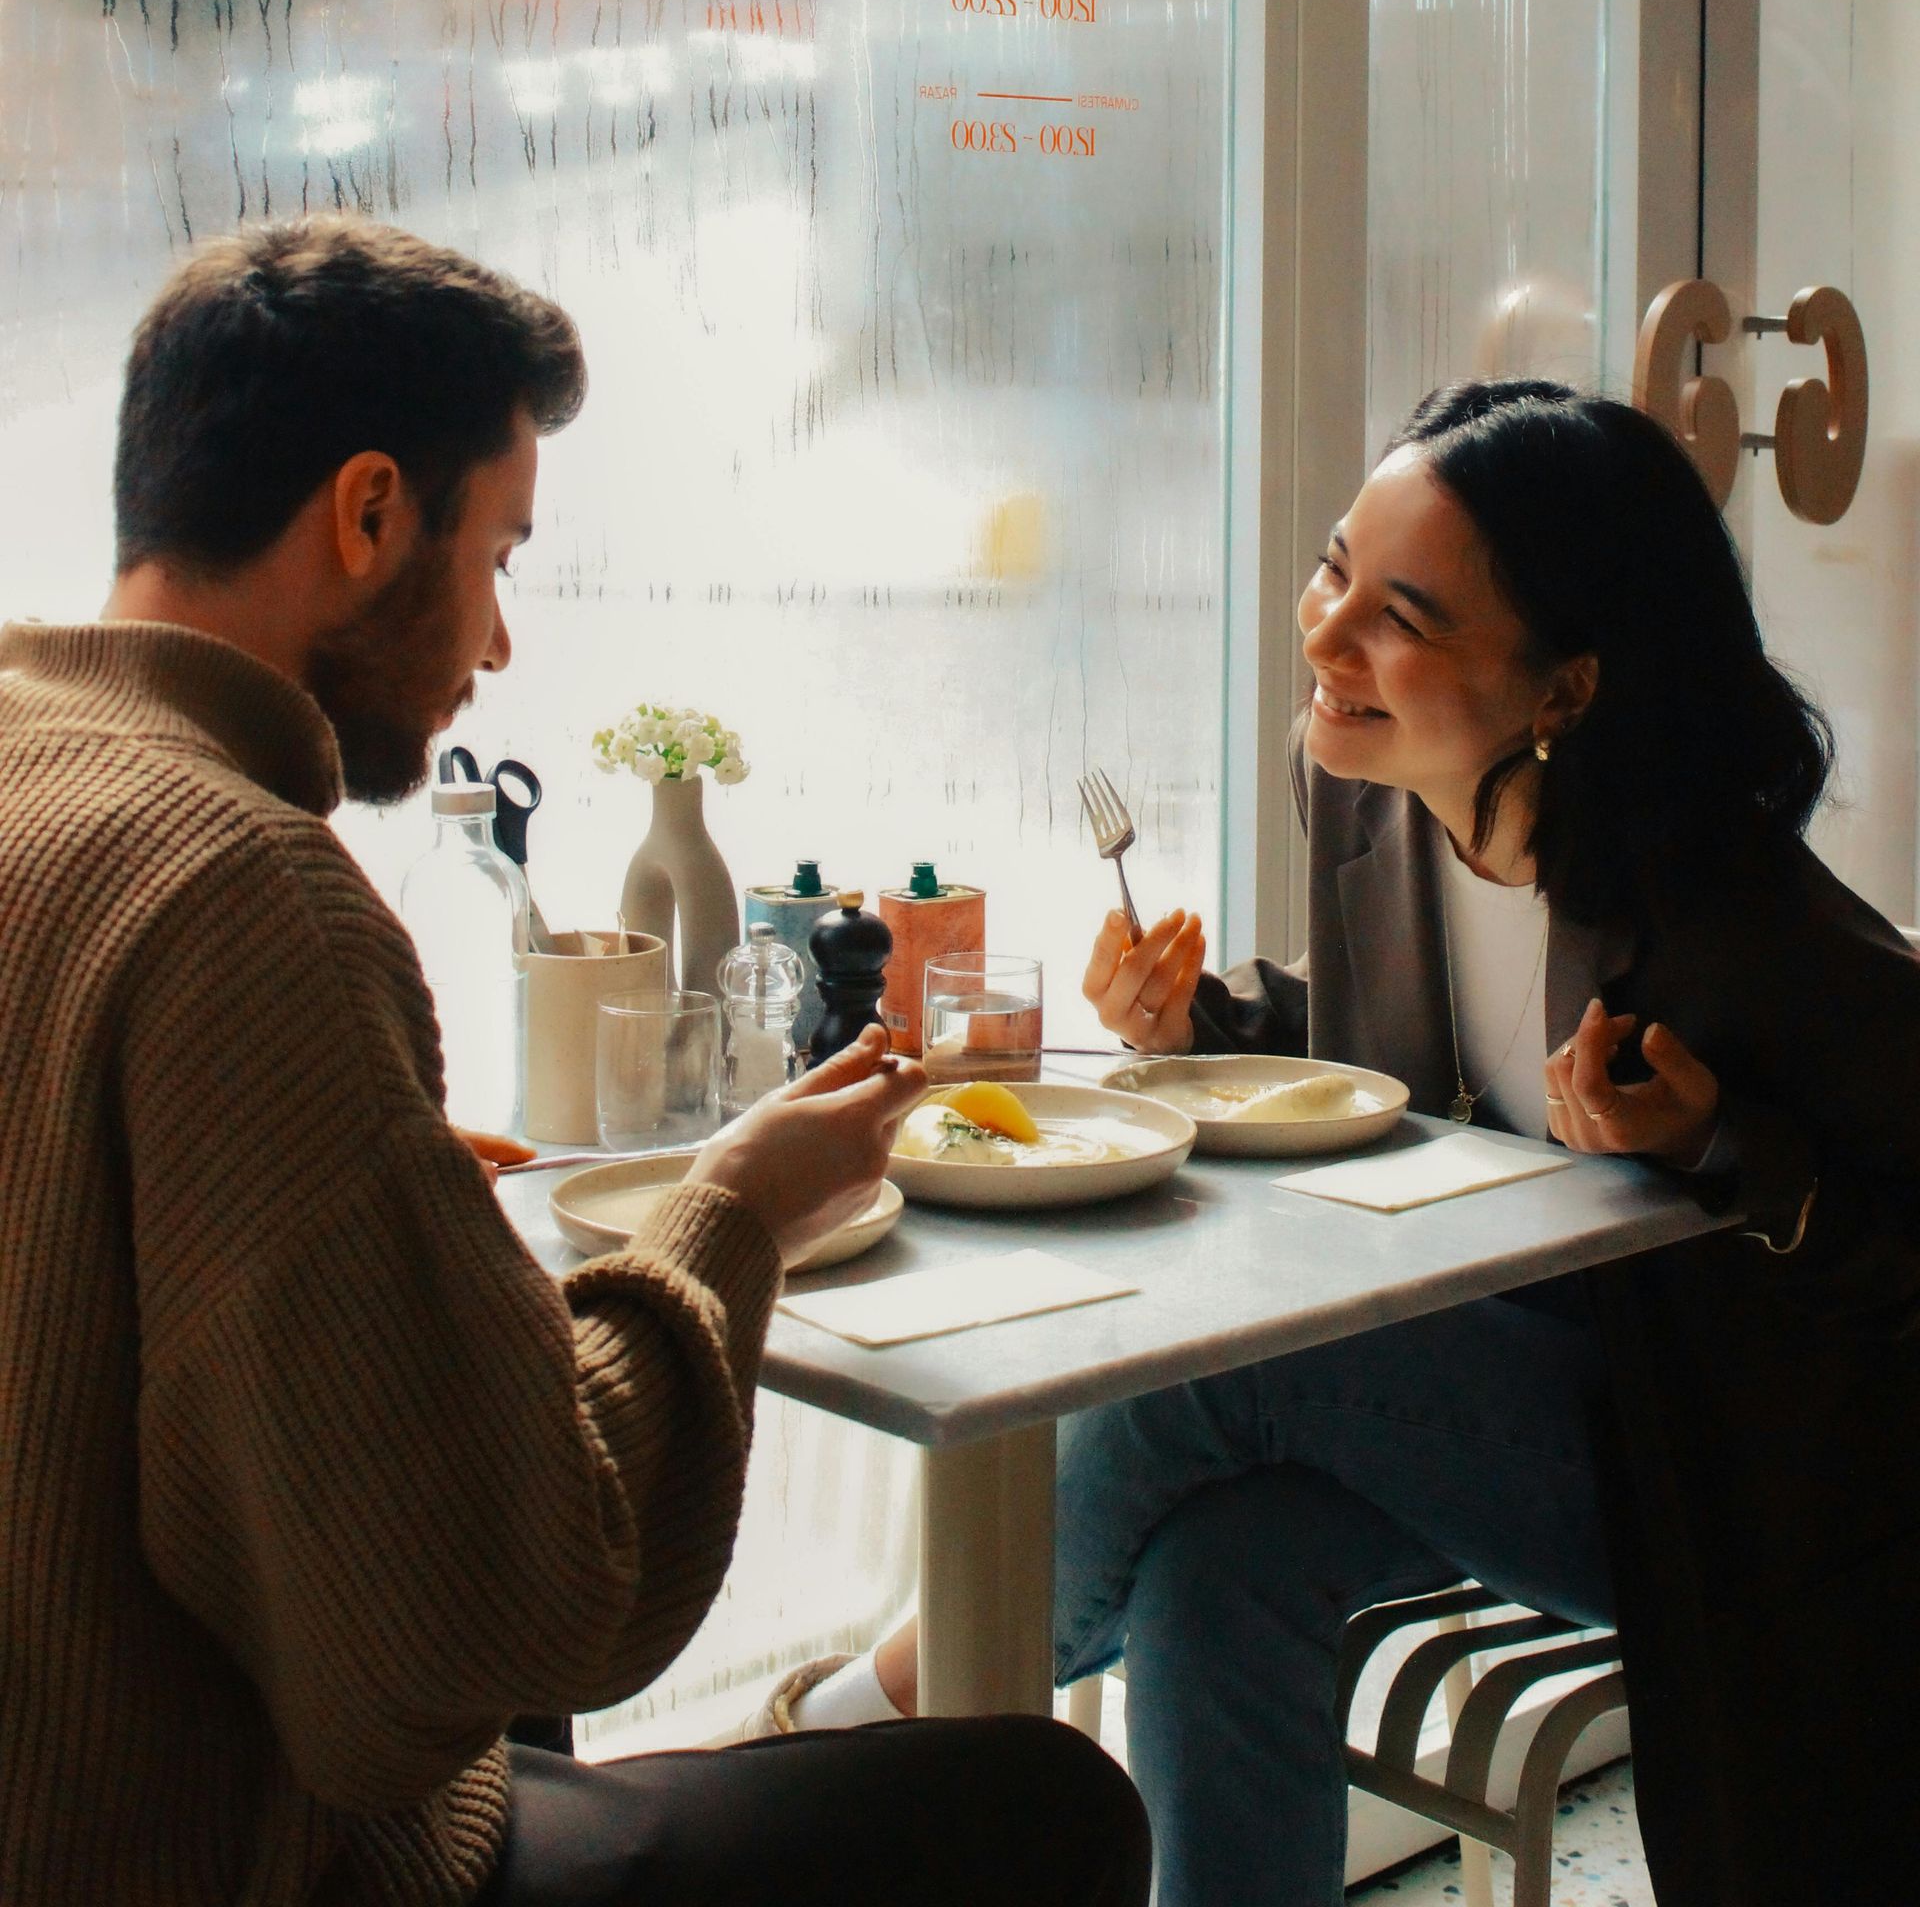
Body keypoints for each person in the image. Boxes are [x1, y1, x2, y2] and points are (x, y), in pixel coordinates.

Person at [0, 216, 1150, 1907]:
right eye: (506, 553)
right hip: (208, 1849)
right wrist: (731, 1213)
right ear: (371, 511)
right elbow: (491, 1607)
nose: (503, 641)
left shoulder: (42, 769)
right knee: (1050, 1812)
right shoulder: (245, 889)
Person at [799, 380, 1920, 1907]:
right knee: (1215, 1583)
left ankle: (873, 1735)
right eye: (1336, 567)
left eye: (1402, 614)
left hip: (1702, 1462)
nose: (1326, 638)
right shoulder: (1375, 803)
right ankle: (891, 1736)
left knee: (1242, 1352)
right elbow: (1418, 1059)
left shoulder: (1736, 920)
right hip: (1492, 1391)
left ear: (1566, 691)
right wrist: (1202, 1022)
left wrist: (1726, 1145)